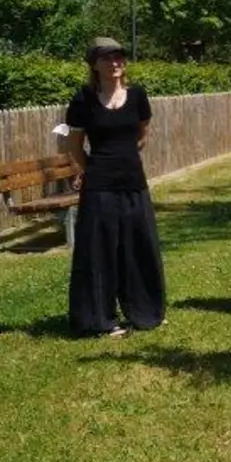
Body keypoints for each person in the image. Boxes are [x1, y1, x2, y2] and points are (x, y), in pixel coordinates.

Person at [64, 37, 166, 337]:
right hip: (99, 187)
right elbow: (74, 145)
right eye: (107, 58)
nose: (115, 63)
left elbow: (142, 136)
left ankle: (146, 312)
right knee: (99, 254)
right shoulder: (84, 99)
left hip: (134, 183)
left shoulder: (137, 96)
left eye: (119, 57)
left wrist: (125, 161)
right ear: (95, 64)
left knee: (140, 248)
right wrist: (93, 169)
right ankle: (99, 320)